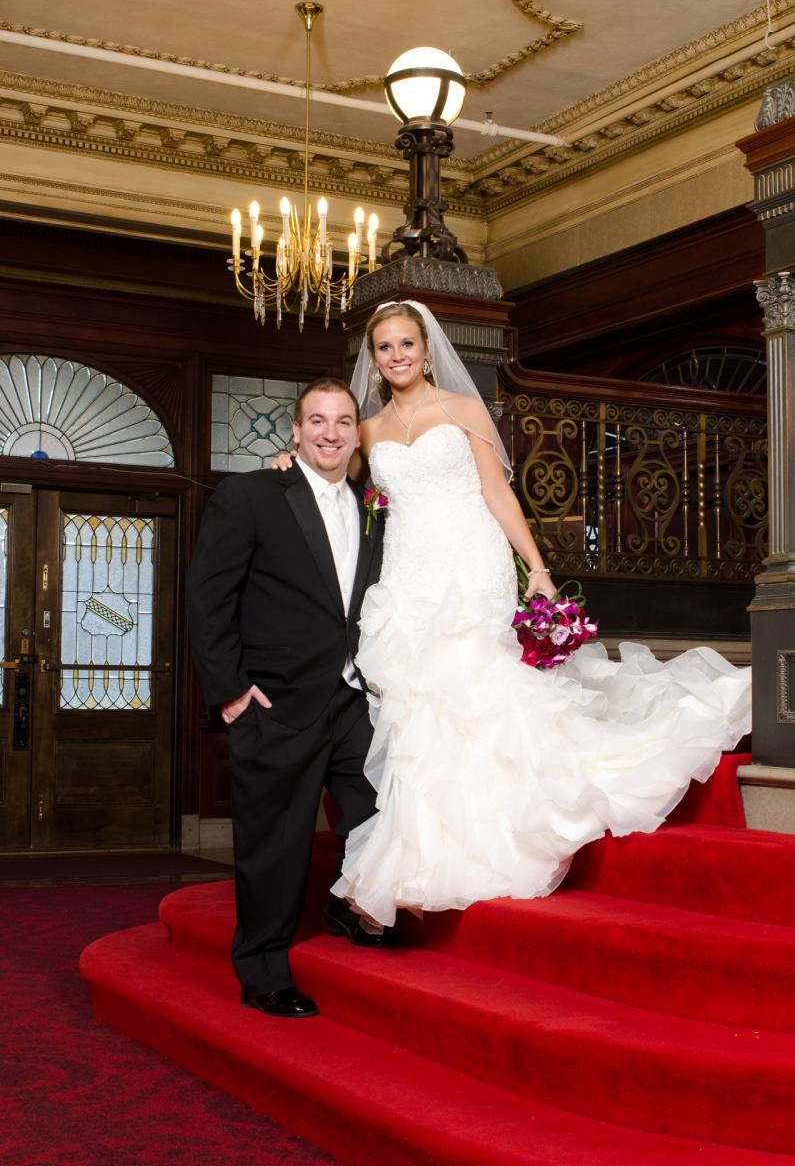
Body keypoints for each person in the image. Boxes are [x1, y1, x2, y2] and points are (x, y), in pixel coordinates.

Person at [272, 303, 752, 931]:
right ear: (374, 357)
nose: (397, 356)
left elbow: (498, 493)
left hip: (472, 565)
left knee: (478, 692)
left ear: (425, 347)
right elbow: (332, 474)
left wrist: (539, 570)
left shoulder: (463, 409)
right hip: (409, 579)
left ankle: (477, 844)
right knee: (419, 716)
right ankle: (423, 860)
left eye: (406, 344)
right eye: (384, 347)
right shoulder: (366, 428)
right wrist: (293, 461)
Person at [187, 378, 390, 1020]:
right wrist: (230, 692)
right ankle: (264, 971)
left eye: (343, 421)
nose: (330, 433)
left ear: (357, 433)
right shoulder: (250, 494)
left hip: (353, 698)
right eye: (317, 421)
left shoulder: (374, 504)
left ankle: (346, 903)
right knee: (275, 844)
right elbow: (208, 596)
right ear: (296, 431)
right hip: (272, 702)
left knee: (384, 811)